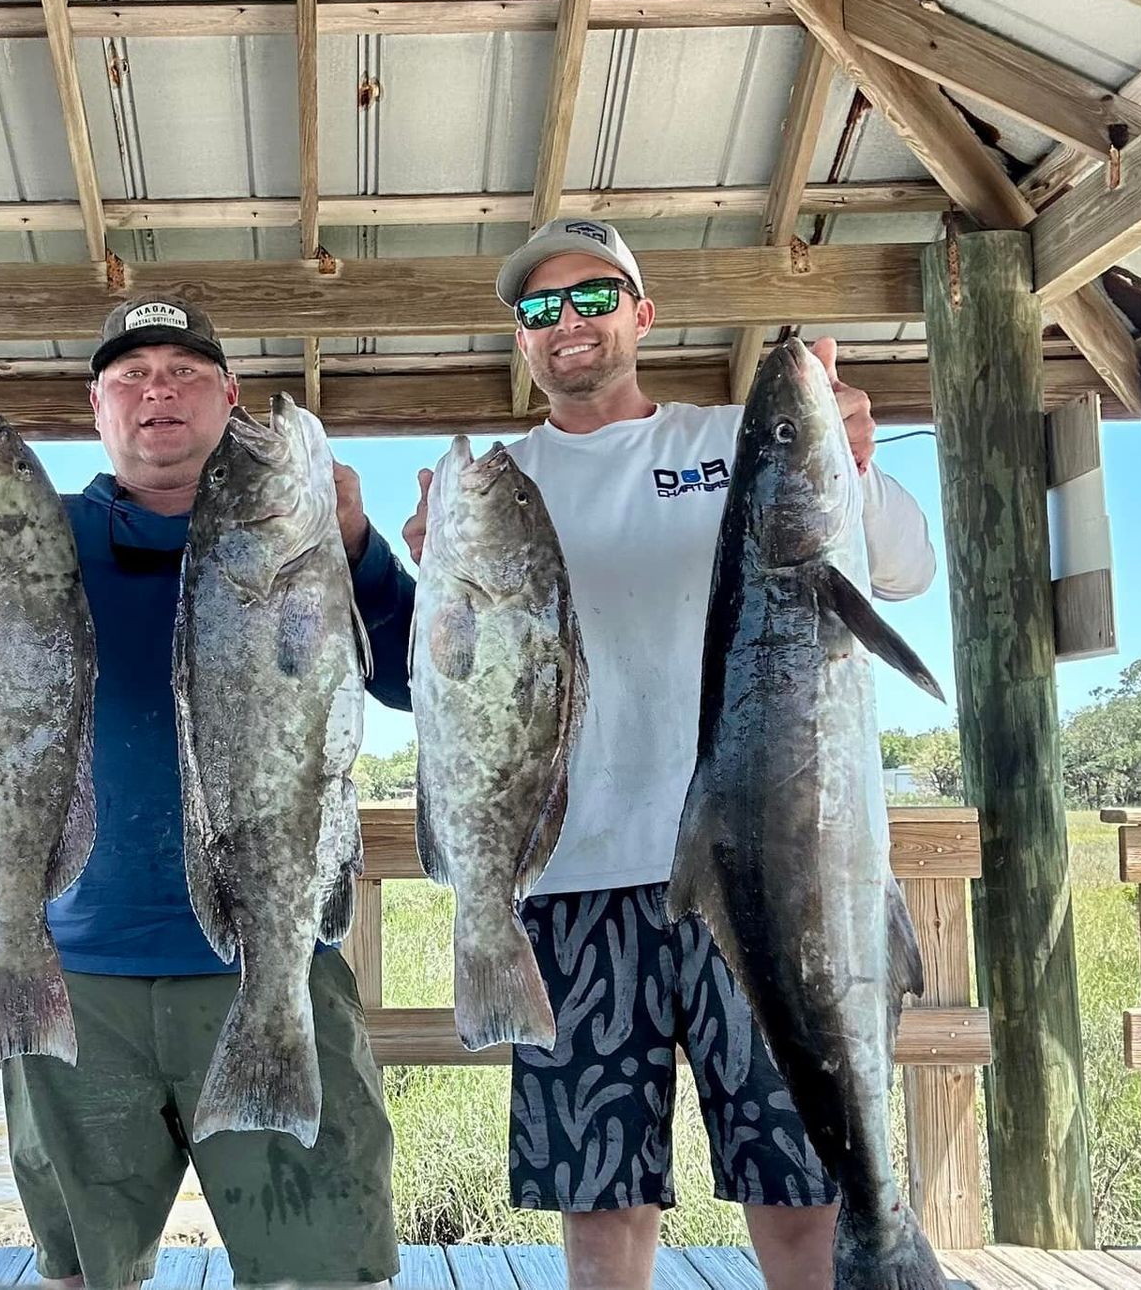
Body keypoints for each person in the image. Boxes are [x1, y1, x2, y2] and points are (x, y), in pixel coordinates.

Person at [401, 219, 939, 1290]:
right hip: (571, 875)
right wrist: (428, 570)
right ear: (521, 337)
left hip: (767, 876)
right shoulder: (497, 481)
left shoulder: (734, 440)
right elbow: (445, 687)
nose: (568, 324)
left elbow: (904, 568)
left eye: (594, 296)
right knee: (602, 1204)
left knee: (798, 1193)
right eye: (540, 308)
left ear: (642, 314)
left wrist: (856, 463)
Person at [0, 295, 412, 1290]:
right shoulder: (37, 527)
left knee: (323, 1267)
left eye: (185, 372)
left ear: (228, 397)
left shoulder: (303, 529)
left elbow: (415, 678)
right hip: (76, 972)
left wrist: (360, 542)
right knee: (83, 1268)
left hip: (274, 956)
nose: (158, 389)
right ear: (97, 405)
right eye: (132, 375)